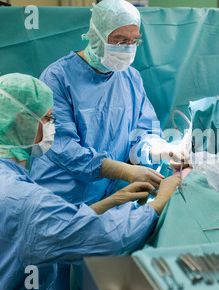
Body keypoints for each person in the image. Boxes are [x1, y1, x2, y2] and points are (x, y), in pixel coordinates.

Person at [0, 72, 181, 290]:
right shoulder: (25, 200)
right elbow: (105, 238)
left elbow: (48, 230)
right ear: (21, 122)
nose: (52, 126)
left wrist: (108, 203)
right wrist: (157, 205)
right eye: (48, 119)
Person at [30, 0, 187, 208]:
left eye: (134, 41)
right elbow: (62, 147)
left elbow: (141, 131)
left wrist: (158, 149)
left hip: (110, 198)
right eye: (119, 41)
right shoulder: (57, 78)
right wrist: (125, 171)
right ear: (97, 35)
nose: (127, 48)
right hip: (62, 200)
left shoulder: (131, 78)